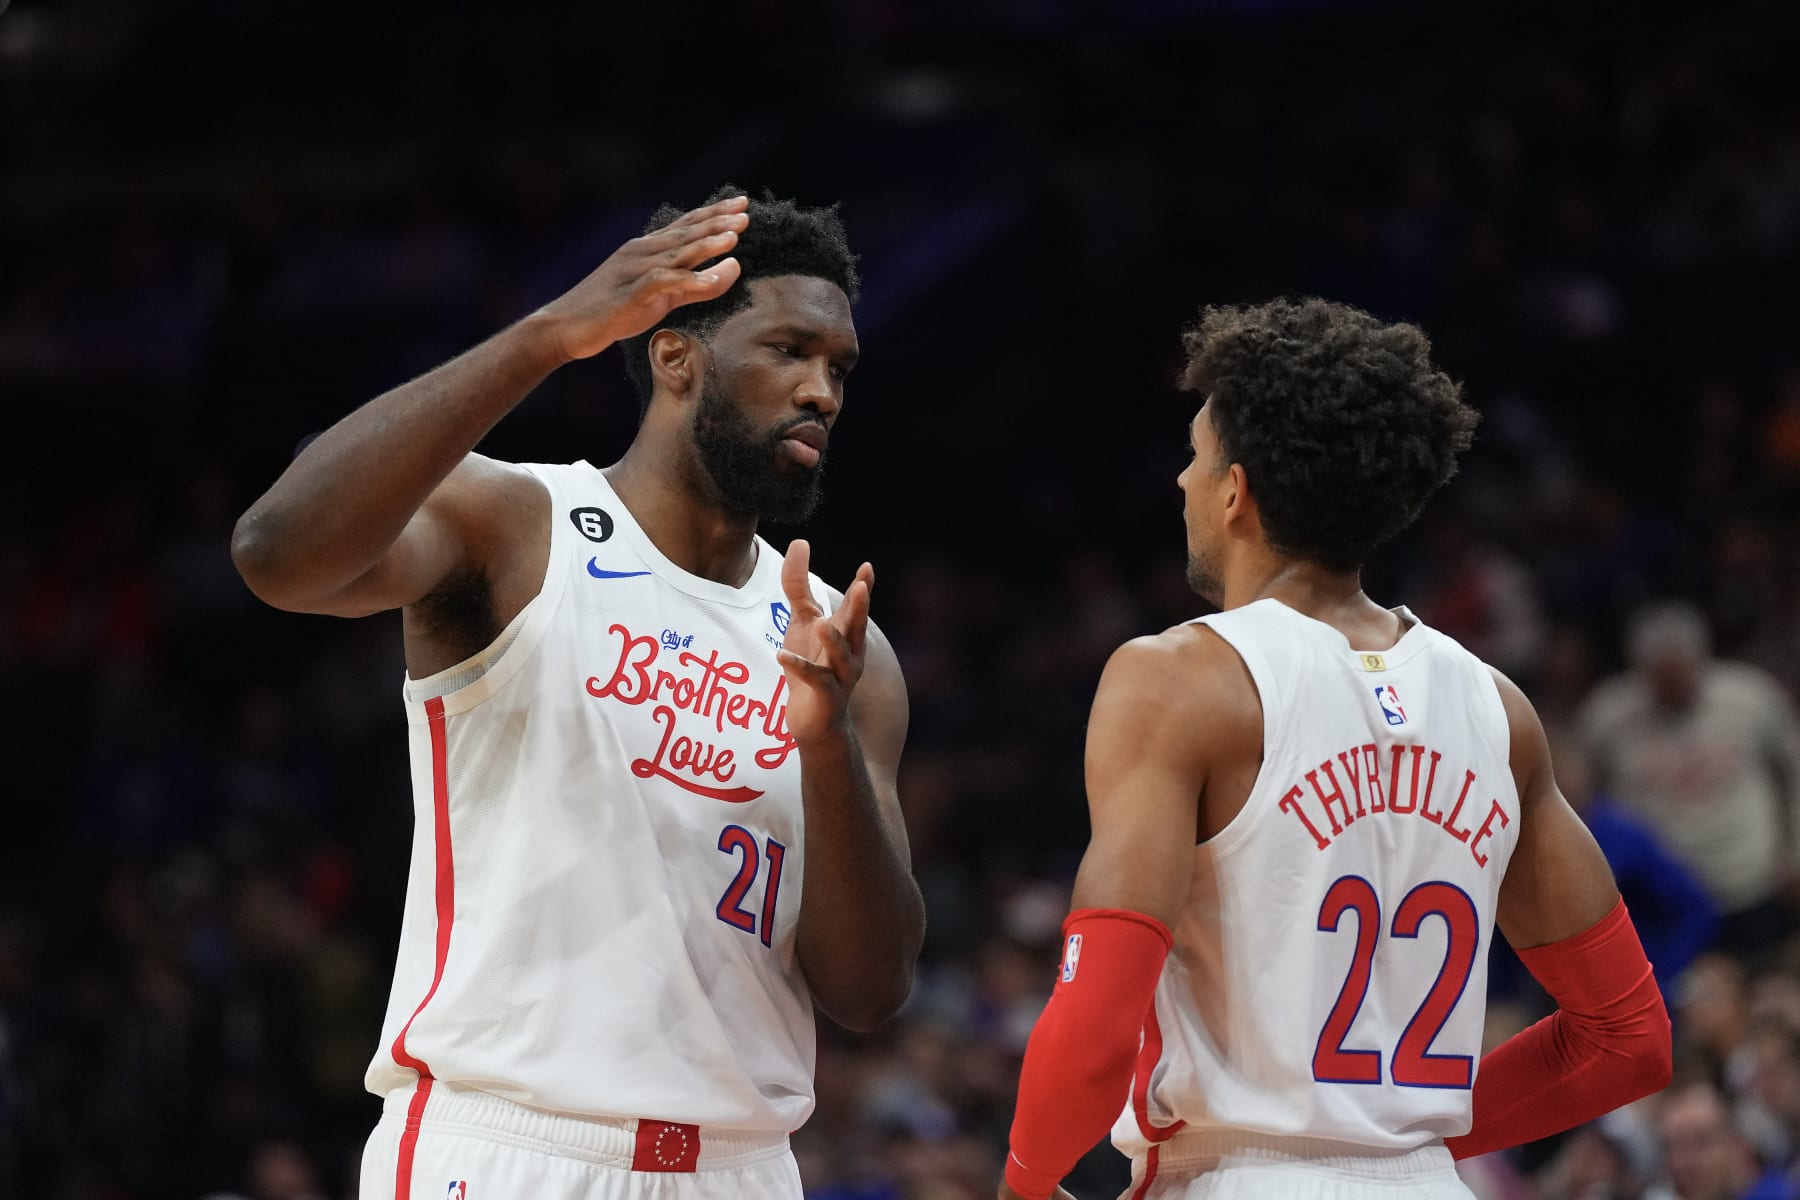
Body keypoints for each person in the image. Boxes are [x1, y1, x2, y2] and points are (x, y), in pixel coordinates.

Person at [231, 188, 925, 1200]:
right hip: (511, 1146)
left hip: (740, 1169)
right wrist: (547, 337)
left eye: (838, 368)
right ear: (677, 357)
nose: (821, 390)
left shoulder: (839, 644)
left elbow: (869, 992)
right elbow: (275, 554)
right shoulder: (517, 526)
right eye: (788, 351)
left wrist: (822, 742)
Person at [998, 299, 1671, 1200]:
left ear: (1236, 491)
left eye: (1195, 458)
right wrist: (1404, 1149)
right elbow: (1628, 1039)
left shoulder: (1177, 680)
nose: (1181, 483)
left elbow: (1097, 1025)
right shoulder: (1498, 710)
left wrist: (1024, 1182)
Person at [1579, 601, 1800, 957]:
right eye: (1661, 679)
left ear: (1702, 660)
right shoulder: (1607, 716)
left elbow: (1792, 771)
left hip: (1747, 876)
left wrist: (1794, 850)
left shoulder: (1752, 698)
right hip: (1659, 893)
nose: (1672, 689)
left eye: (1680, 675)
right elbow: (1587, 797)